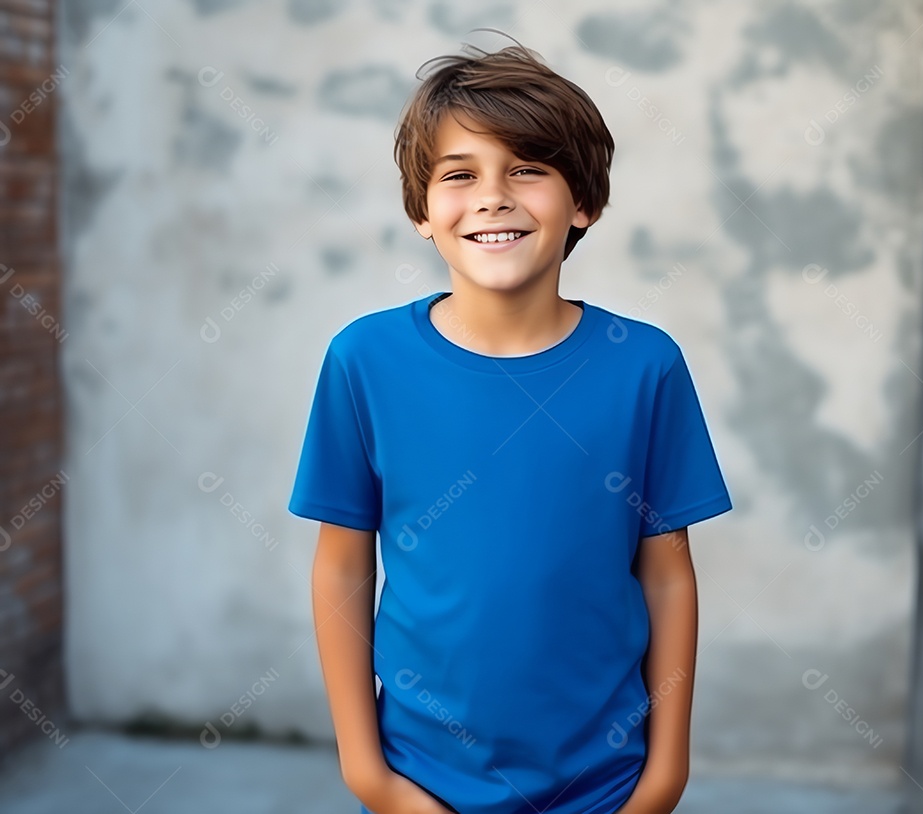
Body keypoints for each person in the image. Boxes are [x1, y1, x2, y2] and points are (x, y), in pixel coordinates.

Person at [288, 33, 733, 814]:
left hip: (606, 790)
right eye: (460, 175)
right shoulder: (365, 361)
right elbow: (341, 569)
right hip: (421, 785)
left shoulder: (645, 367)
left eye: (528, 169)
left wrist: (663, 779)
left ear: (583, 201)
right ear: (422, 211)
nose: (493, 196)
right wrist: (371, 778)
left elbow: (667, 576)